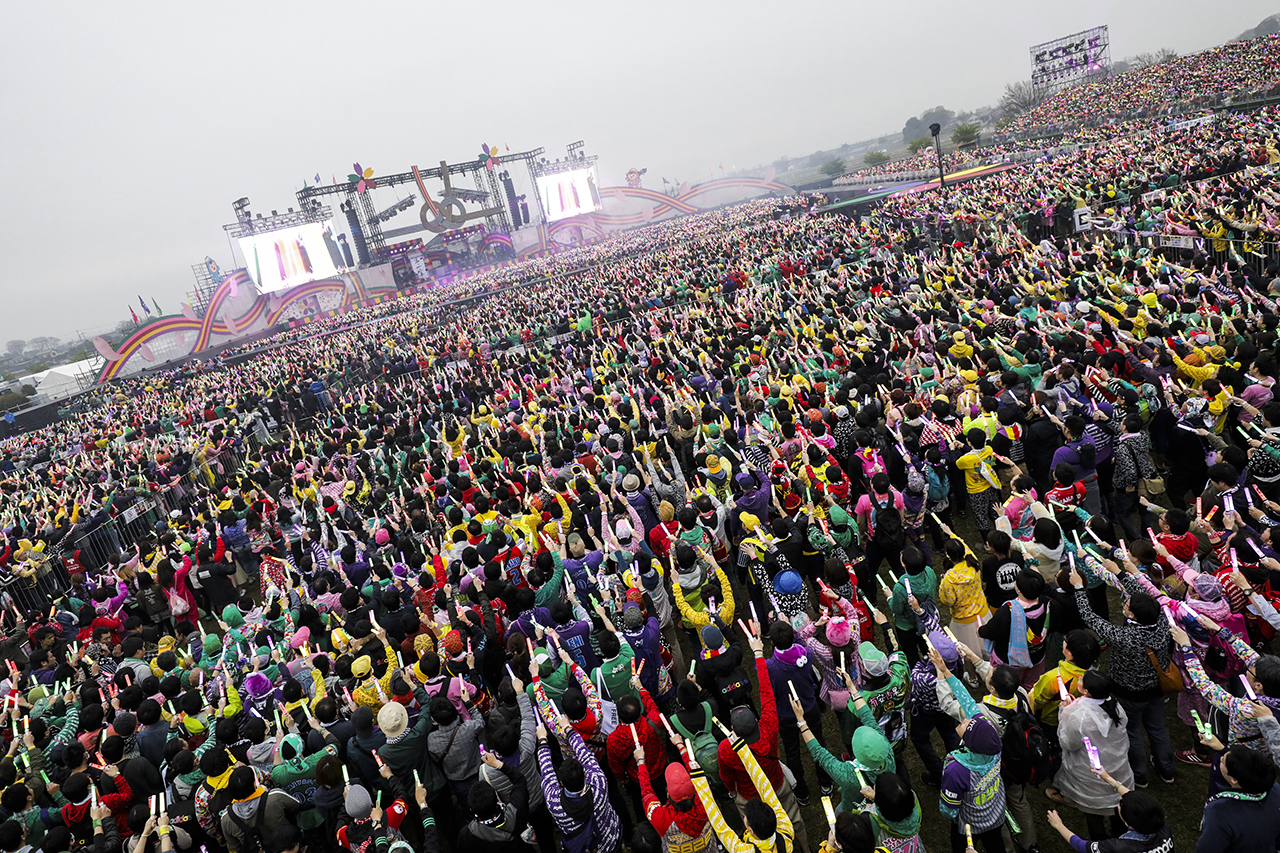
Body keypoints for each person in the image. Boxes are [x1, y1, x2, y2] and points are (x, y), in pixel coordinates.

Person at [1047, 671, 1134, 840]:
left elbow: (1069, 744)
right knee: (1120, 809)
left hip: (1091, 776)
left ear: (1085, 691)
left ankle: (1099, 844)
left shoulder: (1078, 715)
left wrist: (1064, 712)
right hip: (1118, 771)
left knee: (1093, 815)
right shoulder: (1115, 706)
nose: (1078, 678)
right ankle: (1121, 838)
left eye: (1081, 679)